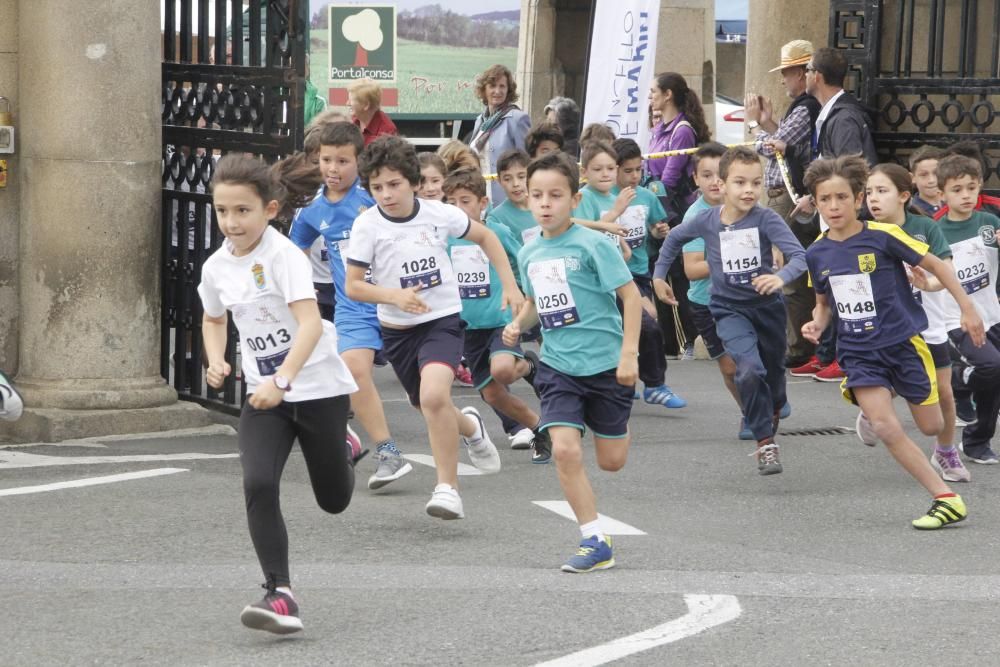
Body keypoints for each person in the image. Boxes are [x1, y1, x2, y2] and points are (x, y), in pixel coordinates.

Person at [198, 154, 361, 634]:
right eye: (222, 211)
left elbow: (310, 324)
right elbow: (213, 317)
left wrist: (283, 380)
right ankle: (280, 593)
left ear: (268, 210)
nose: (231, 222)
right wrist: (216, 359)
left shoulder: (283, 255)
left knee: (334, 501)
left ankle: (343, 444)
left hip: (317, 389)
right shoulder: (216, 267)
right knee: (258, 483)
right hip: (263, 397)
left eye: (242, 211)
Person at [801, 155, 984, 530]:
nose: (833, 207)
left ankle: (878, 405)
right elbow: (823, 305)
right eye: (824, 200)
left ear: (857, 199)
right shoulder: (816, 252)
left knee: (932, 426)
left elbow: (939, 266)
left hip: (904, 344)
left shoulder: (883, 236)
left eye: (841, 198)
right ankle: (945, 498)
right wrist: (815, 324)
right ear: (816, 203)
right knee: (887, 427)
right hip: (858, 351)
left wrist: (967, 308)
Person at [346, 135, 521, 520]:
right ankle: (471, 427)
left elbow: (487, 236)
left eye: (393, 184)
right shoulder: (367, 225)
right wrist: (394, 296)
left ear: (412, 181)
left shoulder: (438, 214)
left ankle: (448, 488)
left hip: (441, 320)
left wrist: (509, 284)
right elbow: (354, 285)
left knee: (433, 397)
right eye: (377, 187)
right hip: (397, 328)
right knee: (427, 403)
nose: (386, 194)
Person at [502, 151, 641, 572]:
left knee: (611, 462)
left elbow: (631, 298)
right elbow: (533, 302)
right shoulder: (529, 255)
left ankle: (617, 428)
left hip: (608, 364)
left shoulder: (594, 245)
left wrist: (629, 354)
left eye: (555, 195)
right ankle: (594, 539)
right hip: (559, 365)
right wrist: (518, 325)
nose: (545, 204)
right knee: (564, 450)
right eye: (537, 195)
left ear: (574, 201)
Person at [653, 146, 807, 476]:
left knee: (774, 378)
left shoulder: (767, 219)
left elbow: (800, 257)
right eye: (739, 182)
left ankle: (775, 405)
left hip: (768, 309)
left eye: (755, 183)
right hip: (728, 309)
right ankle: (765, 442)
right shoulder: (706, 220)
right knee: (748, 370)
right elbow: (673, 239)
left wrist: (779, 278)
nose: (748, 190)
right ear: (722, 185)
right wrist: (658, 277)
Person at [288, 122, 413, 491]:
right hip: (354, 306)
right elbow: (292, 254)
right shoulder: (312, 211)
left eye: (343, 160)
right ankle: (388, 453)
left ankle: (469, 427)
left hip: (403, 303)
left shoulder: (375, 197)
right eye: (326, 159)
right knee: (353, 371)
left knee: (427, 398)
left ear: (359, 162)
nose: (333, 168)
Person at [864, 163, 969, 482]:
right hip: (885, 328)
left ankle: (946, 451)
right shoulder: (863, 233)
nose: (873, 199)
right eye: (869, 192)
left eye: (882, 191)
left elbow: (945, 271)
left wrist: (929, 285)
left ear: (903, 196)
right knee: (885, 380)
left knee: (945, 394)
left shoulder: (925, 228)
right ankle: (872, 410)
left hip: (928, 324)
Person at [443, 167, 551, 463]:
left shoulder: (495, 233)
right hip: (468, 328)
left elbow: (526, 260)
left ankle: (526, 364)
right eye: (450, 203)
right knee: (492, 395)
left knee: (503, 369)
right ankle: (539, 427)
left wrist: (522, 292)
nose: (457, 209)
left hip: (500, 319)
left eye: (464, 201)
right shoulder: (442, 239)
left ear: (482, 204)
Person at [791, 47, 878, 383]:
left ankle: (844, 354)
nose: (804, 76)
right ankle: (826, 351)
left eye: (807, 70)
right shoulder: (831, 112)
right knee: (827, 281)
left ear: (817, 75)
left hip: (847, 216)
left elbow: (848, 165)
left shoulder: (843, 116)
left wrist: (836, 199)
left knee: (847, 282)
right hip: (830, 211)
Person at [746, 39, 822, 369]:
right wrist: (765, 123)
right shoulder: (801, 108)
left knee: (788, 271)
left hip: (788, 197)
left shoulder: (806, 107)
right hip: (783, 195)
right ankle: (794, 341)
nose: (783, 80)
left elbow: (775, 145)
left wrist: (753, 125)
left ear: (805, 73)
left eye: (788, 72)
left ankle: (797, 345)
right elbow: (778, 140)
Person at [608, 137, 686, 409]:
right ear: (613, 169)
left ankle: (631, 383)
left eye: (637, 170)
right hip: (610, 277)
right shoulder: (600, 197)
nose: (633, 176)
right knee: (645, 325)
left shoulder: (647, 196)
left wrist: (658, 231)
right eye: (627, 170)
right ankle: (651, 384)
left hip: (638, 273)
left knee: (644, 326)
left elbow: (655, 229)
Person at [933, 154, 1000, 465]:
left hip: (992, 314)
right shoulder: (936, 231)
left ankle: (976, 438)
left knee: (994, 375)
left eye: (971, 188)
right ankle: (958, 379)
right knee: (991, 368)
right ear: (942, 192)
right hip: (956, 319)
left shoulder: (990, 222)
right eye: (957, 189)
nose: (965, 195)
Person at [679, 142, 745, 436]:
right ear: (695, 179)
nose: (715, 181)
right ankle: (751, 412)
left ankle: (770, 400)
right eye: (706, 175)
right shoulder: (694, 217)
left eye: (720, 174)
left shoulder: (746, 205)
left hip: (746, 298)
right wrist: (728, 259)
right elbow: (691, 269)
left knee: (755, 360)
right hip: (707, 302)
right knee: (730, 369)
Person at [646, 72, 709, 360]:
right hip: (656, 206)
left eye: (654, 92)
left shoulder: (682, 130)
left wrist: (657, 209)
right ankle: (669, 340)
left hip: (674, 209)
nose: (650, 97)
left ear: (668, 94)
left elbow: (669, 178)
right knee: (659, 272)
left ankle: (689, 338)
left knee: (678, 275)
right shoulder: (660, 127)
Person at [470, 64, 531, 205]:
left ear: (508, 90)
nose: (497, 91)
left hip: (506, 199)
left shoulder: (517, 118)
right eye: (492, 86)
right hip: (481, 197)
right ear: (484, 90)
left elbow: (527, 162)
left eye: (502, 86)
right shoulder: (480, 121)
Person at [348, 78, 397, 146]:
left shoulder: (387, 132)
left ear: (366, 105)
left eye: (351, 100)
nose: (347, 103)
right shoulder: (350, 122)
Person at [909, 145, 945, 216]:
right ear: (913, 178)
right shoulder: (910, 212)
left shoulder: (956, 204)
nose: (931, 180)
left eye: (936, 173)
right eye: (923, 175)